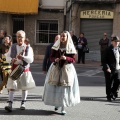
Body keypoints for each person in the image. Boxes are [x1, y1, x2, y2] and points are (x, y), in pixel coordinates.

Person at [42, 31, 80, 115]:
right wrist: (55, 59)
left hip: (66, 69)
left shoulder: (70, 47)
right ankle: (56, 103)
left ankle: (63, 107)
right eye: (61, 36)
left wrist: (66, 57)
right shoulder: (55, 46)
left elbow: (73, 60)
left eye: (64, 36)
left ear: (67, 37)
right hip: (56, 68)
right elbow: (51, 57)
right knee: (55, 86)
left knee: (64, 88)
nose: (62, 37)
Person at [4, 30, 36, 112]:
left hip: (24, 69)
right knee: (12, 87)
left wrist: (23, 58)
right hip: (14, 69)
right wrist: (12, 59)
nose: (19, 38)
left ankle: (23, 103)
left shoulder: (28, 47)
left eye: (21, 37)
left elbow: (31, 59)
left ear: (24, 38)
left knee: (24, 87)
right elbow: (7, 57)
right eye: (18, 37)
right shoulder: (13, 47)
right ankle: (10, 104)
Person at [103, 36, 120, 101]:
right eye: (115, 41)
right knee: (109, 83)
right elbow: (104, 60)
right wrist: (107, 68)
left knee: (118, 81)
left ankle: (113, 92)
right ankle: (109, 96)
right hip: (109, 69)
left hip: (117, 69)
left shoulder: (119, 49)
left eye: (118, 42)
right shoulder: (108, 49)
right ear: (112, 42)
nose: (117, 43)